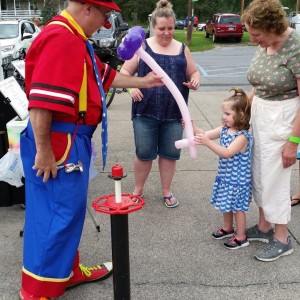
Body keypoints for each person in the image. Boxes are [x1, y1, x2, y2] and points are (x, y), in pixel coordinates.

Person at [19, 1, 163, 299]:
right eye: (104, 16)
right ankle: (37, 291)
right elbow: (41, 103)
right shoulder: (61, 39)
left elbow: (104, 76)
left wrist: (144, 82)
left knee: (67, 214)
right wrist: (45, 151)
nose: (104, 24)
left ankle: (64, 274)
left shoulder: (73, 38)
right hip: (59, 142)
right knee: (54, 217)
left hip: (68, 139)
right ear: (87, 8)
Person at [120, 0, 200, 208]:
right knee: (144, 153)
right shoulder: (143, 47)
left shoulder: (183, 49)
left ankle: (166, 191)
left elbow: (193, 71)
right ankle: (138, 189)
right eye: (162, 28)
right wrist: (131, 87)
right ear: (153, 27)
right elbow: (125, 73)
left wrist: (195, 79)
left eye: (171, 28)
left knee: (169, 154)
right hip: (145, 111)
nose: (166, 33)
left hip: (174, 113)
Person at [242, 0, 300, 261]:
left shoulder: (295, 46)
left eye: (256, 34)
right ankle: (264, 227)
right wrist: (242, 108)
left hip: (283, 118)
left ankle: (282, 238)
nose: (253, 39)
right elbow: (261, 84)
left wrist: (293, 141)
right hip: (260, 116)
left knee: (276, 179)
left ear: (272, 27)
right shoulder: (265, 44)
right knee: (260, 174)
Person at [192, 88, 252, 249]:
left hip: (238, 182)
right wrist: (192, 126)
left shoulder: (242, 137)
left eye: (227, 114)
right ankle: (227, 228)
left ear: (240, 115)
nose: (223, 117)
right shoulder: (224, 130)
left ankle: (241, 237)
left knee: (238, 209)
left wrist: (207, 143)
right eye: (223, 113)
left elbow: (227, 153)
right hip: (226, 178)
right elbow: (205, 134)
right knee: (226, 204)